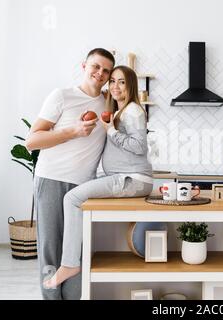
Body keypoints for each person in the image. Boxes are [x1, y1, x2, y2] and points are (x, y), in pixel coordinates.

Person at [42, 65, 153, 289]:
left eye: (121, 82)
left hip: (133, 179)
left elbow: (140, 147)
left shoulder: (133, 111)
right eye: (112, 81)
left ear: (131, 85)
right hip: (127, 178)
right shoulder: (120, 111)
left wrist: (111, 130)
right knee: (79, 200)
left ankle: (70, 264)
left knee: (72, 198)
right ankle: (73, 264)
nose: (115, 86)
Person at [26, 48, 115, 300]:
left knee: (76, 252)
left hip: (83, 186)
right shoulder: (62, 96)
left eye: (106, 70)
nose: (100, 73)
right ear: (84, 65)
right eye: (96, 66)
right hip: (52, 179)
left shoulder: (109, 102)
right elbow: (31, 141)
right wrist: (73, 131)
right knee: (51, 250)